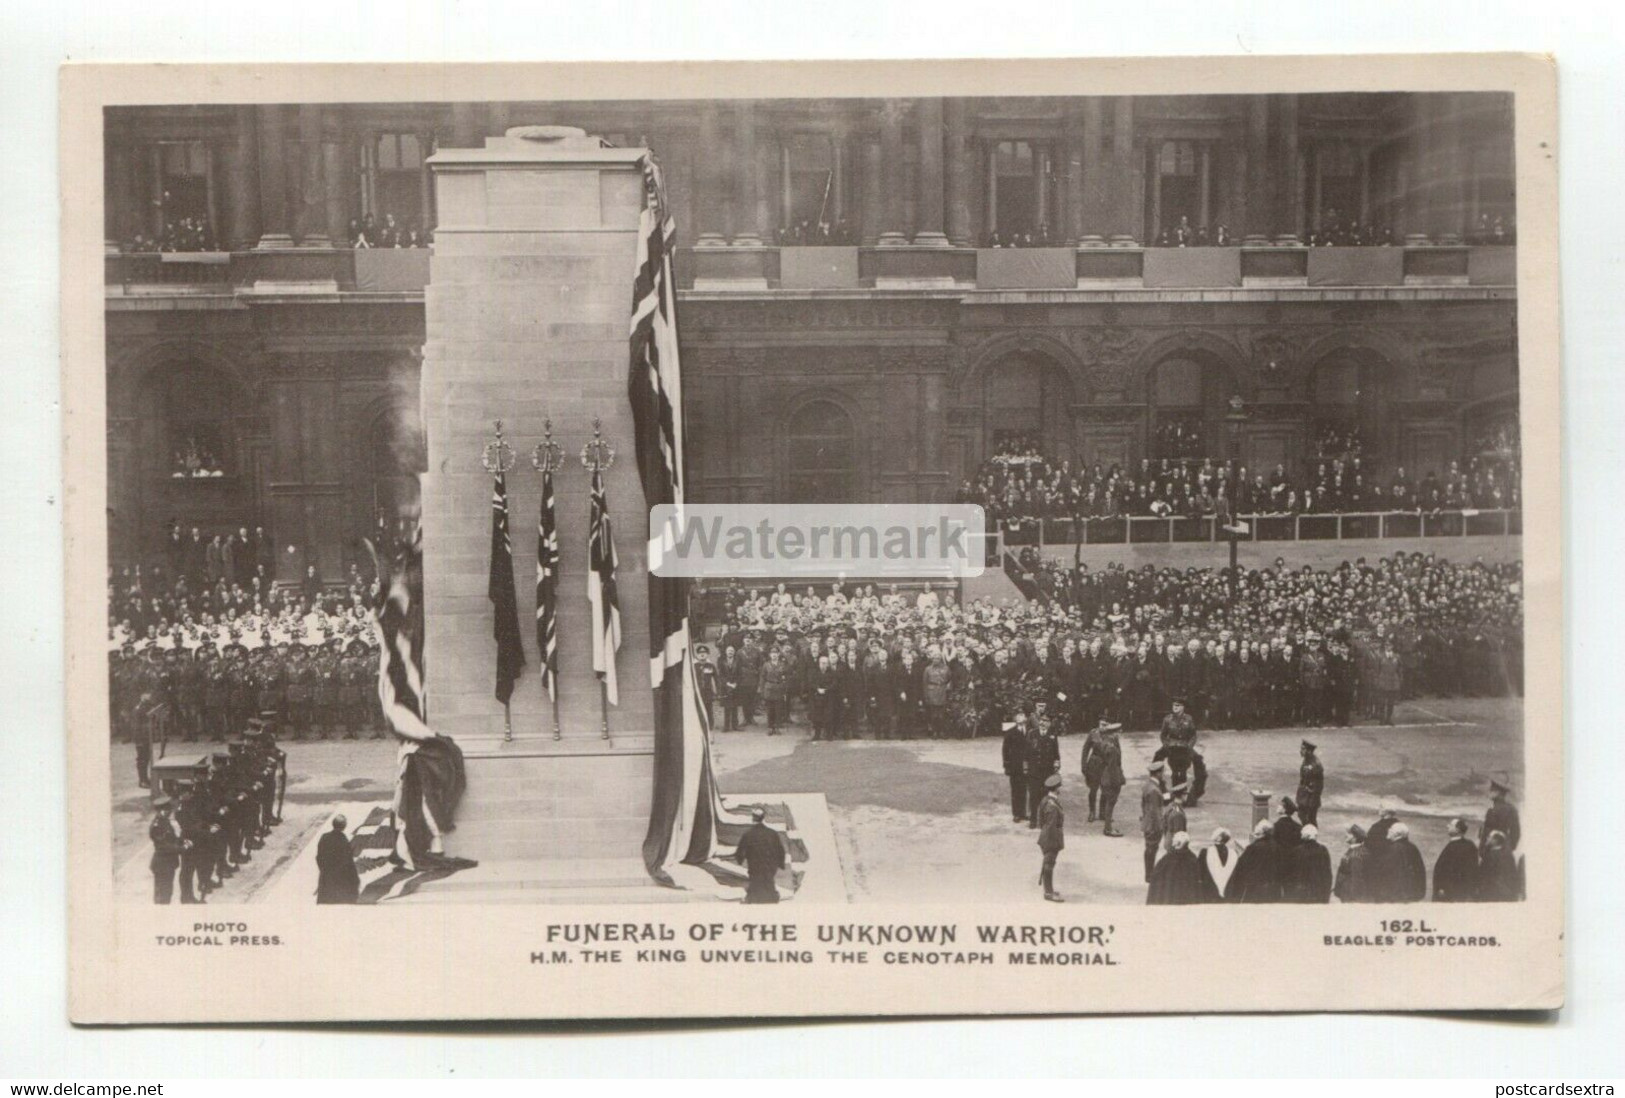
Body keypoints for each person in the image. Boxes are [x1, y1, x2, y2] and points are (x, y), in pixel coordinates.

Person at [734, 807, 788, 904]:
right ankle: (771, 897)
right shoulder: (772, 833)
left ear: (753, 818)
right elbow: (780, 851)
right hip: (770, 867)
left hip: (755, 866)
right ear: (763, 818)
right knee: (768, 881)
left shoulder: (748, 834)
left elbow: (739, 852)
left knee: (755, 882)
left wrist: (740, 859)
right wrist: (780, 863)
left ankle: (753, 897)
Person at [1226, 818, 1283, 903]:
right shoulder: (1277, 847)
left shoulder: (1253, 848)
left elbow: (1241, 868)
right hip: (1273, 889)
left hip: (1256, 889)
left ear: (1260, 833)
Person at [1146, 832, 1207, 905]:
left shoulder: (1168, 858)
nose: (1172, 841)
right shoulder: (1192, 858)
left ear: (1178, 843)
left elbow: (1156, 875)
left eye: (1174, 839)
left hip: (1169, 899)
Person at [1432, 818, 1481, 902]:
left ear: (1457, 830)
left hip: (1450, 892)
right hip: (1461, 892)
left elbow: (1448, 870)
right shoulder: (1470, 845)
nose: (1447, 826)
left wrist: (1442, 887)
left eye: (1450, 825)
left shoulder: (1454, 846)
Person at [314, 815, 361, 904]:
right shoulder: (343, 841)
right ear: (344, 826)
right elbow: (348, 861)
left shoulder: (324, 837)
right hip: (340, 881)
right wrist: (355, 879)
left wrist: (323, 870)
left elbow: (319, 857)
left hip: (326, 879)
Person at [148, 796, 187, 904]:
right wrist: (182, 848)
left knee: (168, 892)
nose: (170, 813)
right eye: (168, 810)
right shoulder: (157, 826)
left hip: (168, 864)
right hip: (162, 865)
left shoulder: (165, 822)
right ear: (161, 811)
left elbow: (172, 838)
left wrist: (182, 841)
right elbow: (164, 846)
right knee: (162, 895)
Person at [1378, 821, 1429, 902]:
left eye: (1391, 830)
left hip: (1397, 896)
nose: (1388, 831)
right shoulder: (1412, 847)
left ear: (1397, 834)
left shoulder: (1394, 849)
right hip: (1412, 894)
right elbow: (1420, 871)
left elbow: (1389, 874)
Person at [1036, 773, 1066, 902]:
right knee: (1049, 865)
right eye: (1059, 787)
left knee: (1048, 864)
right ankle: (1048, 893)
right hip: (1051, 838)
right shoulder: (1052, 806)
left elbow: (1041, 821)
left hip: (1047, 836)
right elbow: (1050, 826)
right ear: (1056, 789)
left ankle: (1049, 890)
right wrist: (1052, 843)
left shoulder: (1046, 800)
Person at [1286, 823, 1334, 903]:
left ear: (1305, 836)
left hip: (1301, 892)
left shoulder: (1297, 851)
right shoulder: (1323, 850)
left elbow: (1291, 873)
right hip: (1318, 890)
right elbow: (1327, 873)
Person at [1140, 762, 1167, 883]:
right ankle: (1149, 875)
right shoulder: (1154, 790)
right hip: (1153, 826)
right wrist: (1160, 827)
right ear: (1158, 773)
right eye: (1162, 772)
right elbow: (1155, 811)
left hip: (1147, 823)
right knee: (1151, 849)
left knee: (1150, 849)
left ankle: (1149, 873)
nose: (1163, 774)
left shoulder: (1148, 785)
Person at [1002, 710, 1031, 822]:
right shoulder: (1010, 732)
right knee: (1015, 790)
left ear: (1025, 718)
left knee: (1024, 789)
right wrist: (1007, 766)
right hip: (1015, 767)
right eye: (1018, 716)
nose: (1021, 717)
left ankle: (1023, 813)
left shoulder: (1029, 732)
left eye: (1022, 715)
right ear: (1015, 719)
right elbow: (1005, 750)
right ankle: (1016, 814)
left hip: (1026, 766)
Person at [1478, 830, 1523, 902]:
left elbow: (1483, 875)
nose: (1487, 838)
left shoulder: (1490, 856)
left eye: (1489, 837)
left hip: (1491, 893)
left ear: (1495, 840)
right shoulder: (1508, 856)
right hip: (1506, 893)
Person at [1481, 780, 1521, 854]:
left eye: (1492, 790)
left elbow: (1485, 833)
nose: (1489, 792)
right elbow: (1516, 832)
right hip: (1505, 848)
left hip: (1491, 849)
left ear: (1498, 793)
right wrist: (1510, 847)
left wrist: (1482, 850)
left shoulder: (1491, 811)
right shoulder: (1512, 809)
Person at [1333, 824, 1372, 903]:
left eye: (1348, 833)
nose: (1345, 835)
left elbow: (1356, 878)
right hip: (1348, 892)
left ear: (1355, 837)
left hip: (1350, 895)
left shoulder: (1355, 855)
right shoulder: (1358, 850)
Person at [1198, 827, 1238, 901]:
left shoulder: (1205, 852)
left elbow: (1200, 872)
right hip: (1228, 893)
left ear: (1219, 838)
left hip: (1210, 893)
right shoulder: (1233, 853)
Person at [1295, 739, 1324, 827]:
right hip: (1304, 796)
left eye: (1303, 749)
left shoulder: (1316, 765)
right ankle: (1307, 833)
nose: (1301, 751)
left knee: (1310, 819)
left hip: (1310, 798)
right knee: (1301, 815)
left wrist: (1312, 801)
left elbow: (1319, 785)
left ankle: (1311, 836)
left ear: (1309, 751)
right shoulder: (1306, 760)